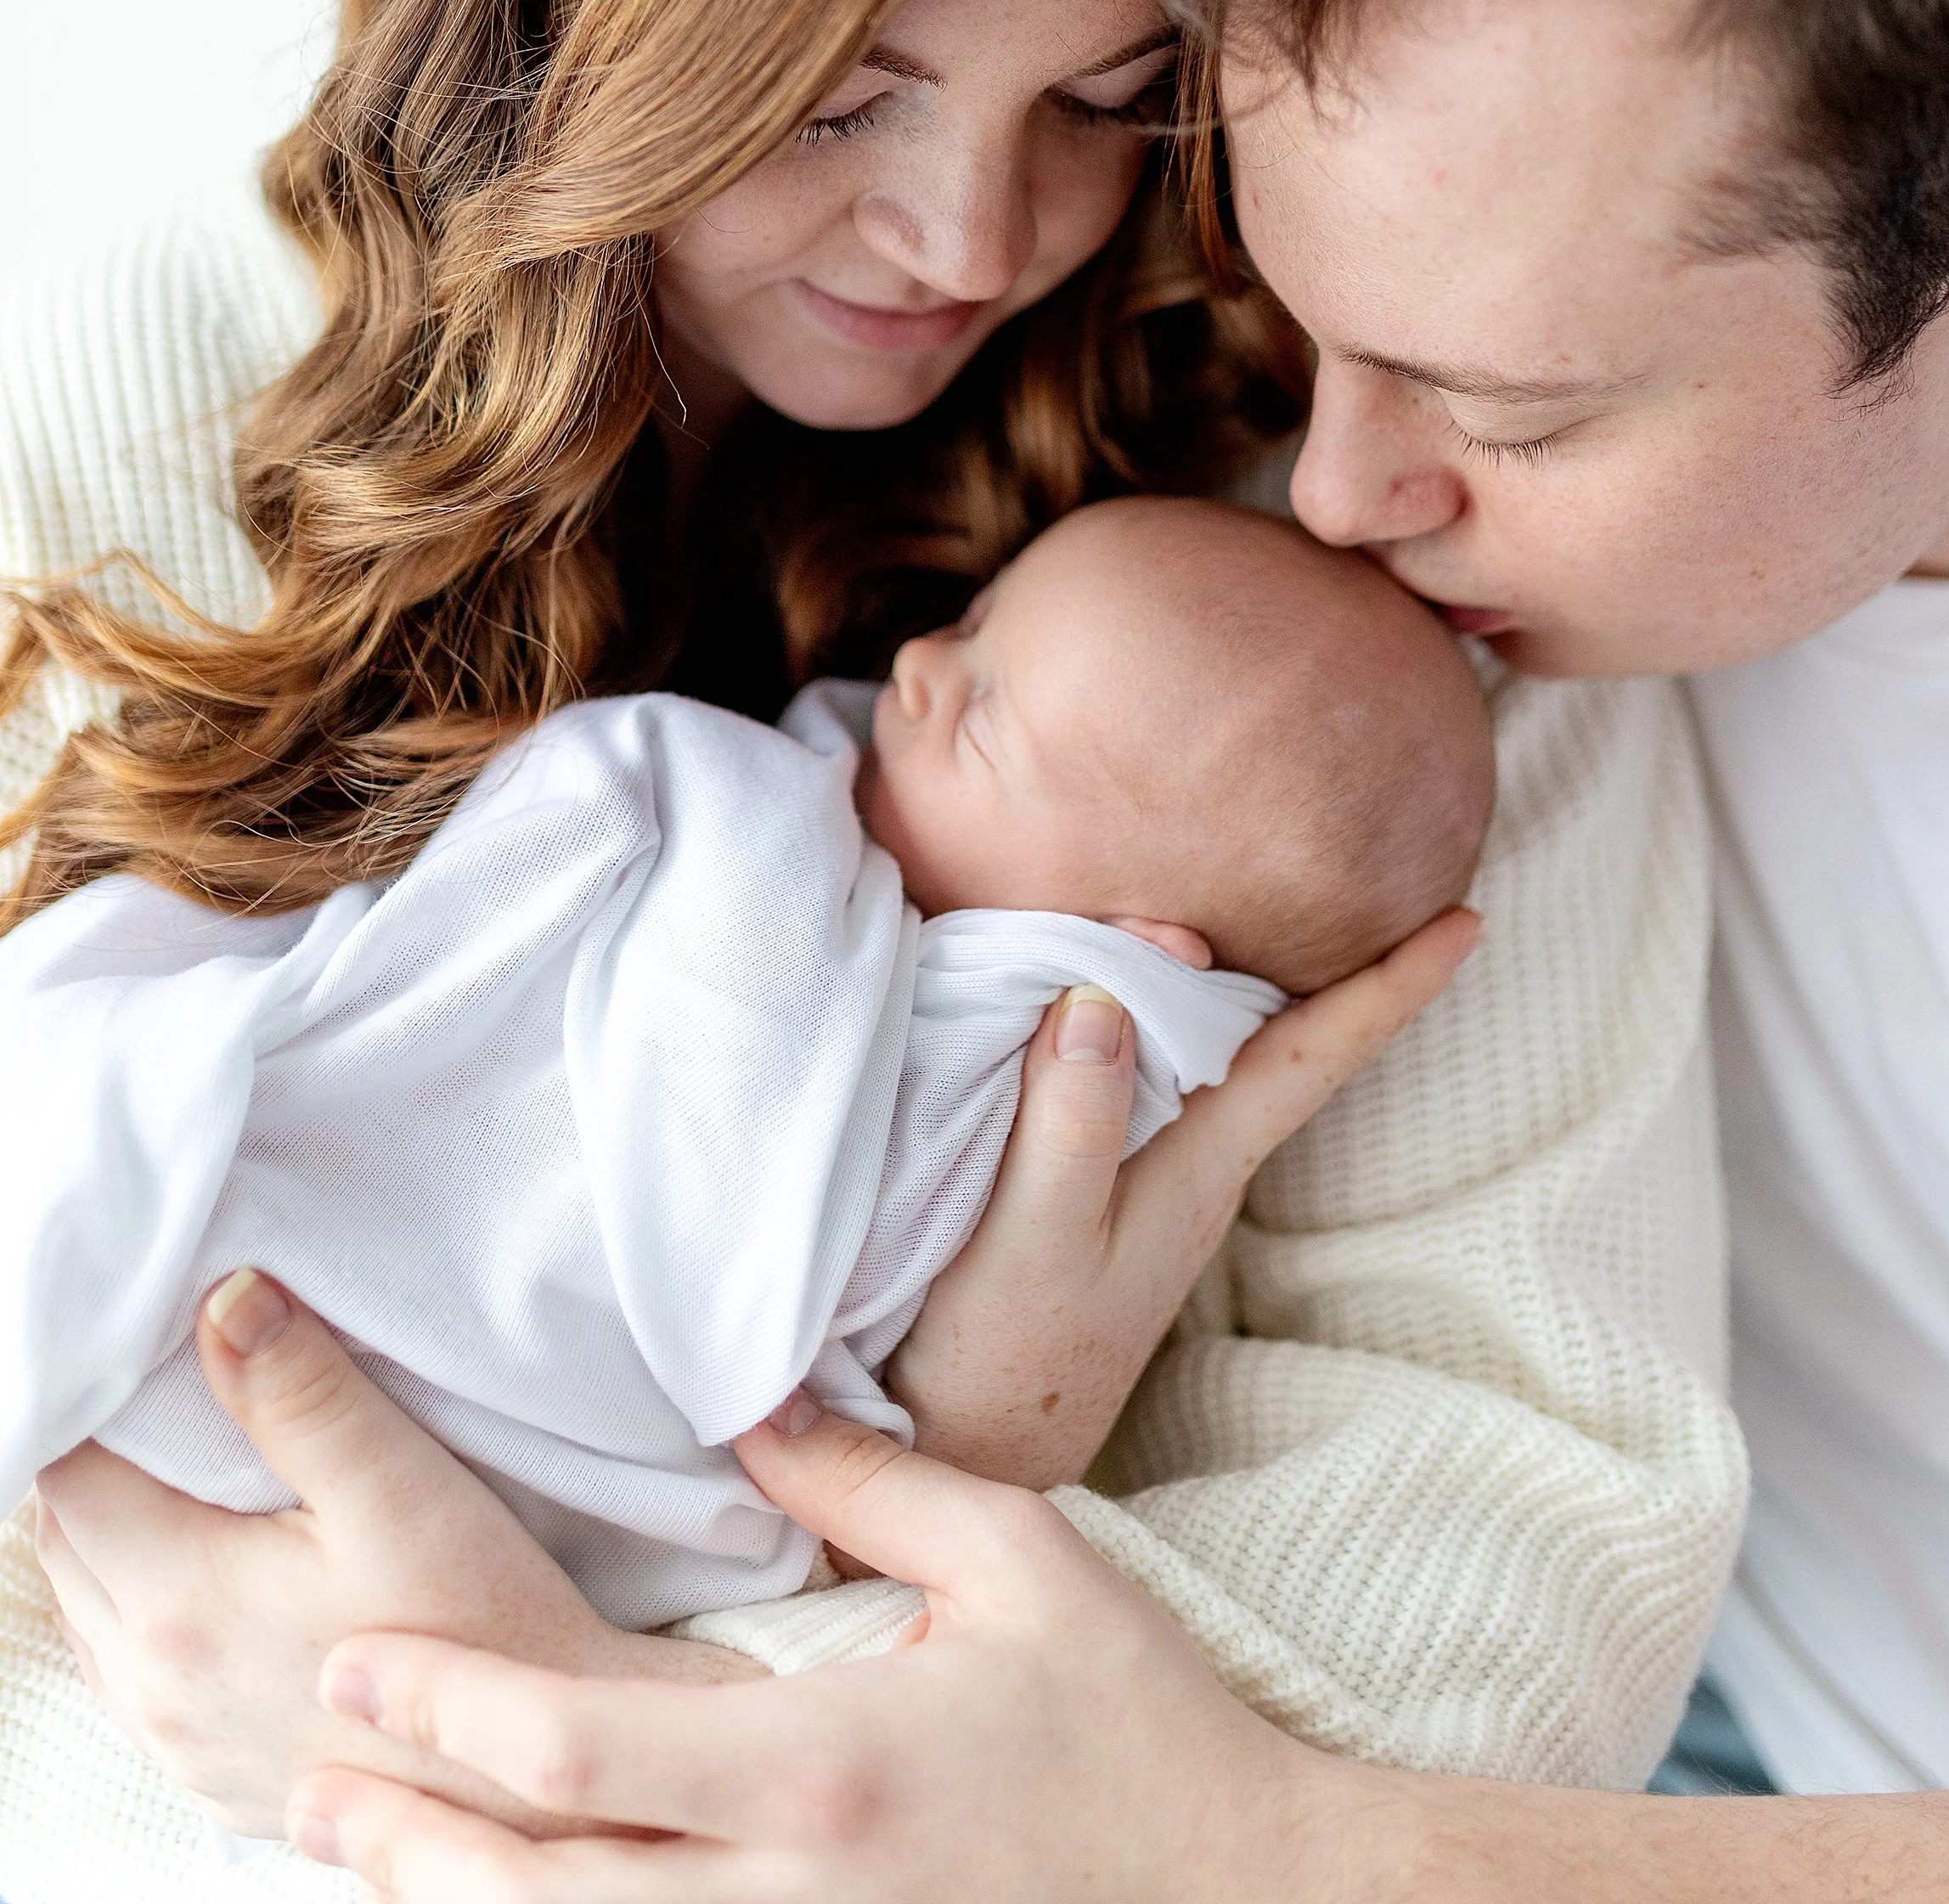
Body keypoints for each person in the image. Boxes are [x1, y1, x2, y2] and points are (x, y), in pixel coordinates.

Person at [3, 0, 1739, 1890]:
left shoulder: (1368, 490)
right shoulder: (121, 417)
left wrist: (551, 1717)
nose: (964, 230)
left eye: (1106, 84)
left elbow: (1535, 1548)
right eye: (833, 86)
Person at [259, 0, 1949, 1897]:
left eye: (1503, 409)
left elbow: (1471, 1597)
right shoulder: (1458, 563)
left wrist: (1301, 1847)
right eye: (1320, 335)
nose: (1336, 497)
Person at [2, 501, 1488, 1634]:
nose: (912, 663)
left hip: (423, 1415)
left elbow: (778, 1249)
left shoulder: (1024, 1061)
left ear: (1122, 941)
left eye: (982, 708)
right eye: (969, 625)